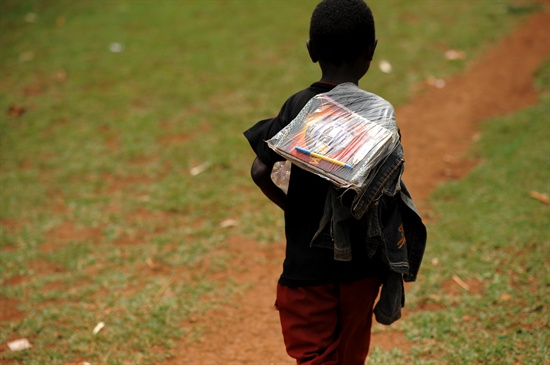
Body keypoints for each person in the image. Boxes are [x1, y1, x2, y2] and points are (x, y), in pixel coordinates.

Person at [244, 1, 426, 364]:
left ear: (311, 50)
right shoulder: (379, 116)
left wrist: (293, 207)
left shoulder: (300, 107)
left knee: (314, 356)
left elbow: (260, 171)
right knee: (350, 353)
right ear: (371, 51)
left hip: (306, 268)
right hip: (361, 270)